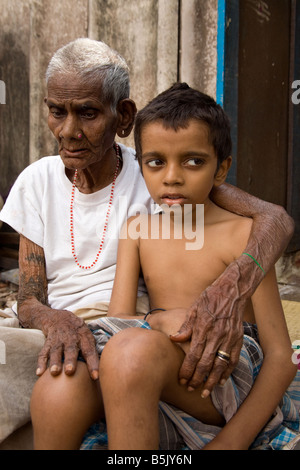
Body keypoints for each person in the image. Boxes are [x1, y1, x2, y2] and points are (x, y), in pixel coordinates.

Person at [0, 39, 294, 449]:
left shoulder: (153, 170)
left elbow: (274, 219)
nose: (69, 130)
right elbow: (31, 300)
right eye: (56, 111)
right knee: (53, 382)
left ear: (122, 116)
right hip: (90, 335)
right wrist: (59, 321)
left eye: (86, 112)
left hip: (149, 344)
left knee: (125, 355)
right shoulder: (42, 181)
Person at [95, 82, 299, 450]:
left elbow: (282, 358)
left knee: (131, 355)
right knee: (59, 388)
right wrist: (158, 319)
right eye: (156, 162)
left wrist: (231, 443)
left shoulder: (246, 236)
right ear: (140, 166)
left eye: (193, 161)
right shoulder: (138, 230)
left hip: (226, 376)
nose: (172, 176)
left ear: (221, 170)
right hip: (156, 366)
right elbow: (118, 323)